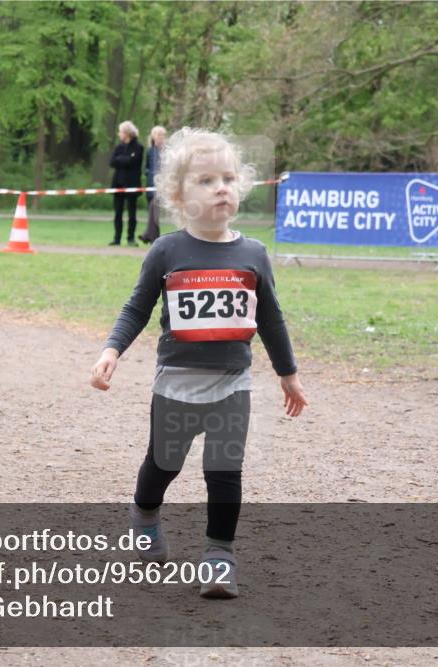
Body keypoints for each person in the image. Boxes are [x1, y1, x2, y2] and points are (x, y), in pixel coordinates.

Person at [89, 128, 308, 599]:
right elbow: (136, 309)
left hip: (233, 384)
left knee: (225, 471)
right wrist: (111, 350)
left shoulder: (254, 254)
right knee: (164, 463)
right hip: (175, 385)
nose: (221, 187)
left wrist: (287, 374)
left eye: (229, 178)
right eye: (206, 180)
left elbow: (271, 318)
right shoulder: (166, 251)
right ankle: (144, 514)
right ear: (178, 195)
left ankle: (218, 557)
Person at [109, 121, 144, 246]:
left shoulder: (138, 147)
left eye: (120, 132)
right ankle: (117, 238)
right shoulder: (118, 147)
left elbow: (133, 161)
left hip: (132, 184)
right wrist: (126, 158)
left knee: (132, 213)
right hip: (118, 184)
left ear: (127, 133)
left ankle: (130, 238)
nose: (119, 134)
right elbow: (112, 162)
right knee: (118, 213)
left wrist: (122, 159)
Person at [139, 125, 167, 244]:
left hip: (163, 186)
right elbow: (147, 167)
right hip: (151, 185)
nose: (159, 137)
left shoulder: (167, 151)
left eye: (161, 134)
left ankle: (148, 235)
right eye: (157, 134)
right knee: (153, 211)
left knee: (153, 207)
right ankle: (154, 237)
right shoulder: (150, 151)